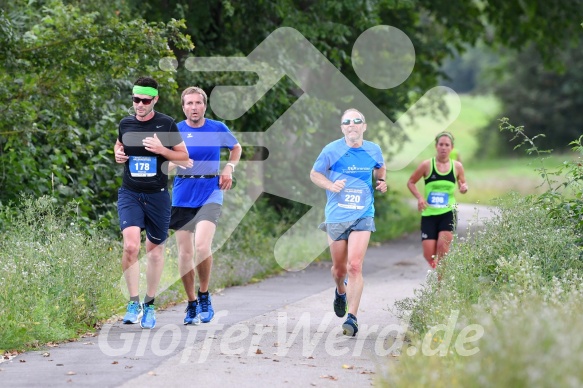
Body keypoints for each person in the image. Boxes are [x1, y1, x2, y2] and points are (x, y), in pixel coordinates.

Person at [114, 76, 189, 329]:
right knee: (131, 246)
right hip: (130, 193)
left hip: (157, 195)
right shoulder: (125, 123)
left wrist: (162, 150)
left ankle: (150, 304)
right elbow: (119, 145)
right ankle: (133, 302)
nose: (140, 104)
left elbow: (183, 157)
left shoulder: (166, 124)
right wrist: (117, 153)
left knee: (154, 252)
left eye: (145, 100)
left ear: (155, 99)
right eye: (136, 99)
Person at [310, 108, 387, 337]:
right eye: (347, 122)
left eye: (357, 121)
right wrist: (330, 185)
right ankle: (340, 291)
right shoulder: (331, 150)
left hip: (363, 213)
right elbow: (315, 174)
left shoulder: (373, 150)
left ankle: (352, 317)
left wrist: (381, 181)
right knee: (339, 269)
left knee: (355, 266)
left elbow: (380, 169)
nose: (352, 125)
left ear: (364, 126)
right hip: (336, 215)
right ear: (342, 127)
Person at [168, 86, 242, 325]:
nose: (194, 107)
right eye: (189, 104)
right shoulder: (176, 130)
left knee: (201, 247)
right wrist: (170, 165)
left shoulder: (217, 128)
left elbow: (236, 148)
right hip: (182, 194)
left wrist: (229, 168)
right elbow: (167, 162)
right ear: (183, 107)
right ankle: (190, 303)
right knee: (185, 253)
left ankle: (204, 294)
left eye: (198, 103)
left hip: (211, 191)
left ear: (204, 105)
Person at [407, 131, 468, 270]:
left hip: (448, 212)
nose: (443, 147)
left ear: (451, 148)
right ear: (436, 146)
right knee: (429, 254)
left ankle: (441, 286)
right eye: (441, 144)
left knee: (442, 248)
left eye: (447, 145)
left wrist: (464, 188)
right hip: (429, 214)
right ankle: (443, 272)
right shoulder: (427, 165)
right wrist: (420, 197)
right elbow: (411, 182)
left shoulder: (457, 166)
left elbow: (463, 185)